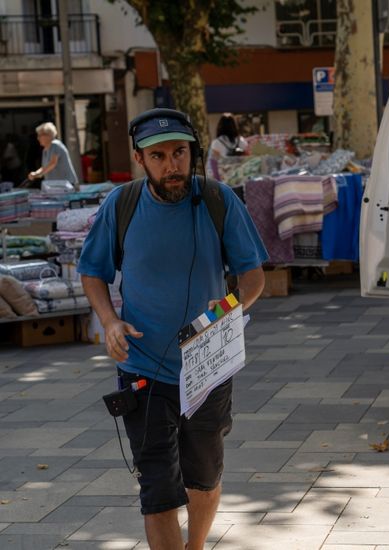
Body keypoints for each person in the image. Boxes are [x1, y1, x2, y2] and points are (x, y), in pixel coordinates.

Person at [77, 108, 268, 550]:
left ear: (193, 153)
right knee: (158, 492)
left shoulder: (218, 199)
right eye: (158, 156)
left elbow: (252, 277)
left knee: (203, 480)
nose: (171, 165)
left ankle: (195, 546)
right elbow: (92, 272)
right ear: (140, 160)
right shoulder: (120, 205)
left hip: (207, 369)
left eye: (179, 153)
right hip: (143, 369)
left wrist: (227, 309)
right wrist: (109, 322)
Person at [27, 122, 79, 190]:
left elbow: (52, 163)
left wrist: (38, 174)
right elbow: (44, 167)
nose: (38, 138)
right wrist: (35, 173)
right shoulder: (45, 150)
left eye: (40, 135)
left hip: (66, 186)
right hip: (56, 186)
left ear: (48, 135)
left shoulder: (55, 145)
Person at [206, 113, 249, 180]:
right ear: (234, 126)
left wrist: (218, 180)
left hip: (224, 180)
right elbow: (247, 160)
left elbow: (213, 163)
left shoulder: (216, 143)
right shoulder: (242, 141)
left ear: (220, 126)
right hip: (240, 179)